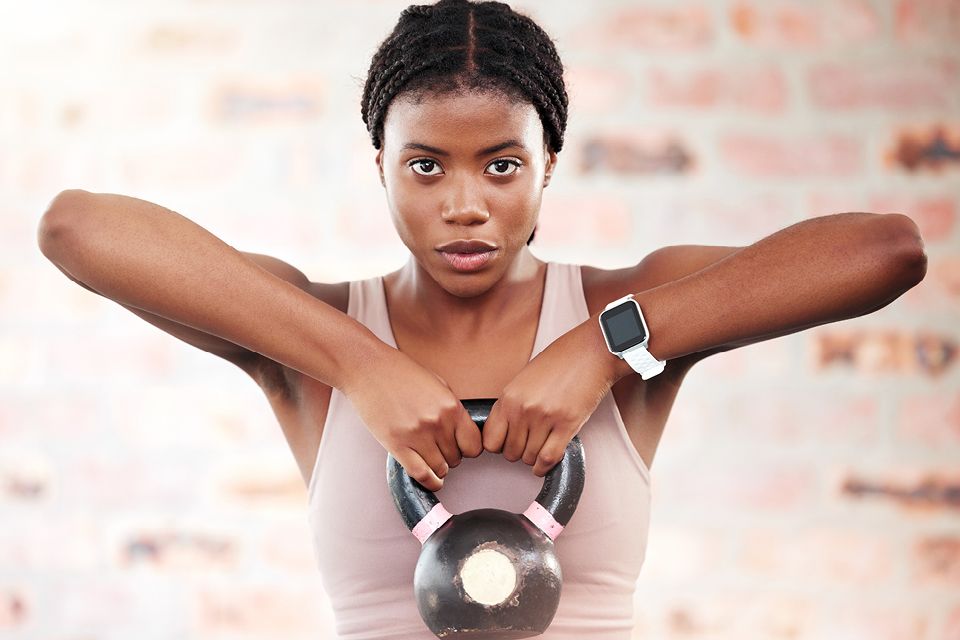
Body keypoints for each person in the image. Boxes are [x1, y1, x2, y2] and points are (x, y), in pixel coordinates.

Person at [37, 0, 928, 637]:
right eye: (427, 167)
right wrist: (360, 363)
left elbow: (885, 251)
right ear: (379, 164)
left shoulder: (625, 309)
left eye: (502, 165)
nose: (465, 206)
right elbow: (77, 229)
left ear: (550, 166)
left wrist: (602, 347)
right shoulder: (305, 336)